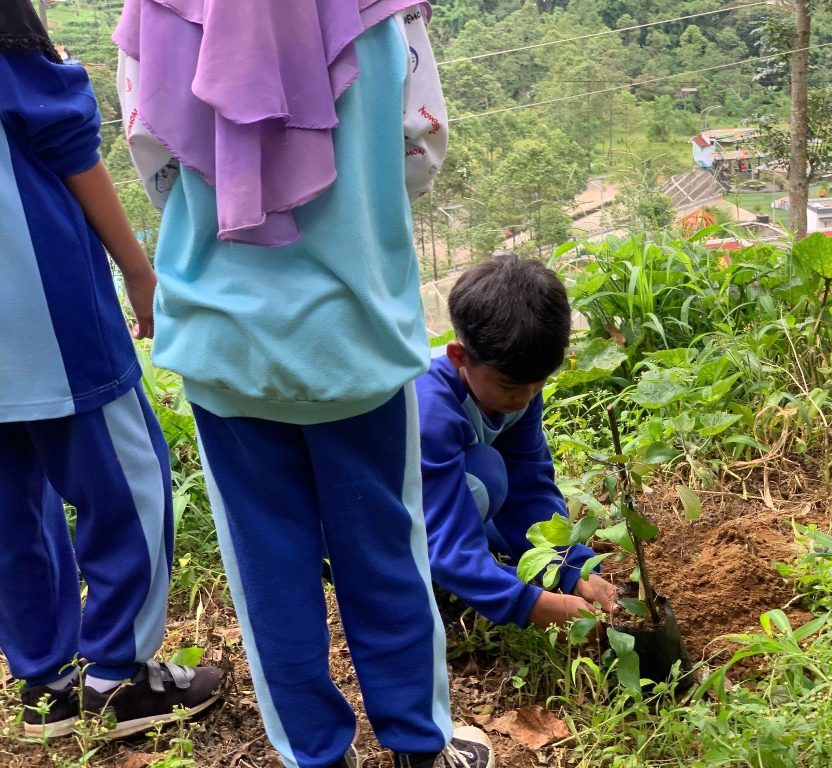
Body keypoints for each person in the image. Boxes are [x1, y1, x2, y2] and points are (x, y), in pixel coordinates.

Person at [113, 1, 492, 766]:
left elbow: (151, 153)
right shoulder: (384, 9)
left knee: (268, 570)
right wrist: (351, 207)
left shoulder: (157, 9)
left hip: (224, 342)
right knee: (386, 551)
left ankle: (316, 755)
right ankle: (420, 746)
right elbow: (420, 148)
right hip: (355, 337)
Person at [0, 0, 220, 740]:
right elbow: (69, 143)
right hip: (46, 314)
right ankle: (117, 676)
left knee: (11, 514)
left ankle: (44, 688)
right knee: (131, 482)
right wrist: (138, 269)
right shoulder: (13, 55)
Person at [417, 257, 619, 629]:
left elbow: (529, 487)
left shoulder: (518, 387)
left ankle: (475, 571)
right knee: (482, 478)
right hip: (368, 518)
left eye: (538, 382)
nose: (525, 398)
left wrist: (569, 566)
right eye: (510, 386)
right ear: (458, 355)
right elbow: (442, 530)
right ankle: (423, 577)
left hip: (437, 500)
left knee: (497, 487)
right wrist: (528, 603)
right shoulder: (429, 407)